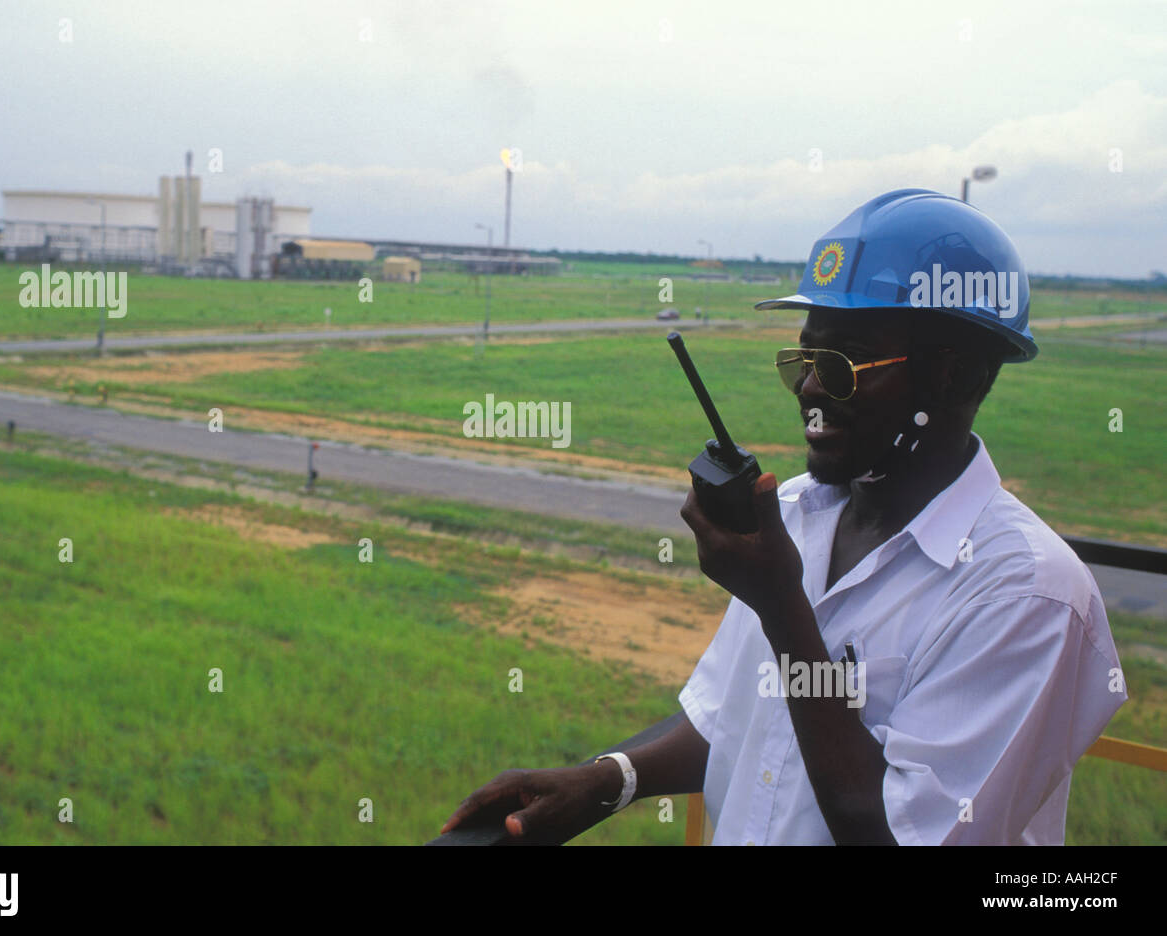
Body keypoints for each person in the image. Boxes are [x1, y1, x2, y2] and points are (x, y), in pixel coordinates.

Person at [440, 189, 1126, 845]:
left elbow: (889, 832)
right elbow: (730, 719)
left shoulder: (1026, 595)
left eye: (844, 362)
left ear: (956, 377)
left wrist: (782, 607)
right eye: (802, 357)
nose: (808, 388)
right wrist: (605, 781)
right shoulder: (795, 512)